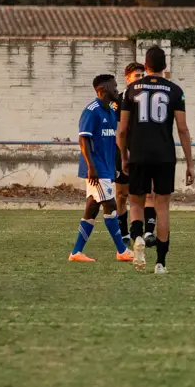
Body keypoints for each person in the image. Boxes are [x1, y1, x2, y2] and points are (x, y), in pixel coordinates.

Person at [117, 46, 195, 274]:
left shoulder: (130, 90)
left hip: (138, 153)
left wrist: (124, 156)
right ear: (165, 66)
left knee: (136, 203)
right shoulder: (175, 91)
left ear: (146, 64)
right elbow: (182, 129)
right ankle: (160, 262)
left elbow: (122, 129)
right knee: (162, 207)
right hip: (164, 155)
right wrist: (190, 163)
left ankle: (138, 237)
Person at [68, 74, 135, 263]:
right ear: (104, 89)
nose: (116, 90)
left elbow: (111, 142)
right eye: (114, 87)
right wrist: (92, 167)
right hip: (96, 169)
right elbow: (83, 139)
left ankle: (76, 252)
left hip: (106, 168)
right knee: (110, 205)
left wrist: (114, 164)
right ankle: (122, 251)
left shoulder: (111, 112)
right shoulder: (92, 111)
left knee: (92, 208)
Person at [114, 62, 149, 248]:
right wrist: (122, 150)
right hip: (121, 152)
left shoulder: (147, 100)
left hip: (141, 153)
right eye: (137, 75)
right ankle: (123, 233)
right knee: (121, 195)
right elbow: (118, 129)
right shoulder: (119, 100)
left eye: (142, 75)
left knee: (142, 193)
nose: (140, 78)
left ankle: (140, 231)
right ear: (127, 78)